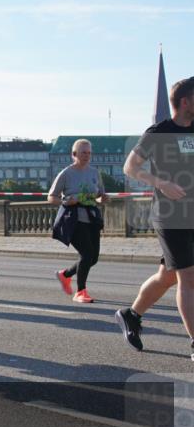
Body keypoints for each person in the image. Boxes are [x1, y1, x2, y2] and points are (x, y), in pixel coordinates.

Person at [118, 76, 194, 355]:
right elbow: (130, 167)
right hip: (170, 215)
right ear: (185, 101)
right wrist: (161, 182)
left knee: (168, 276)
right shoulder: (159, 133)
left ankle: (132, 314)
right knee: (188, 277)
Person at [49, 139, 107, 304]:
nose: (87, 156)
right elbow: (51, 197)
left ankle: (65, 275)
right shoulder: (66, 173)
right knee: (87, 254)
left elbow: (99, 195)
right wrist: (66, 201)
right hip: (73, 219)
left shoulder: (95, 172)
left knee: (93, 258)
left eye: (89, 153)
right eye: (83, 153)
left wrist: (103, 198)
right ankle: (80, 292)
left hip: (92, 218)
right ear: (74, 155)